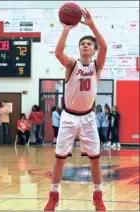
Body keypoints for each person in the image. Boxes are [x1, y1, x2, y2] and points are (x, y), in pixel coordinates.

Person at [44, 8, 107, 211]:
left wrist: (92, 25)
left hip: (88, 118)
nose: (85, 46)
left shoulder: (96, 67)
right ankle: (53, 194)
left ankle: (98, 194)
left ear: (94, 49)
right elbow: (58, 53)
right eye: (82, 44)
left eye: (89, 44)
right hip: (69, 117)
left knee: (95, 158)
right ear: (79, 49)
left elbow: (105, 47)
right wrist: (66, 30)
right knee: (60, 157)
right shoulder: (72, 65)